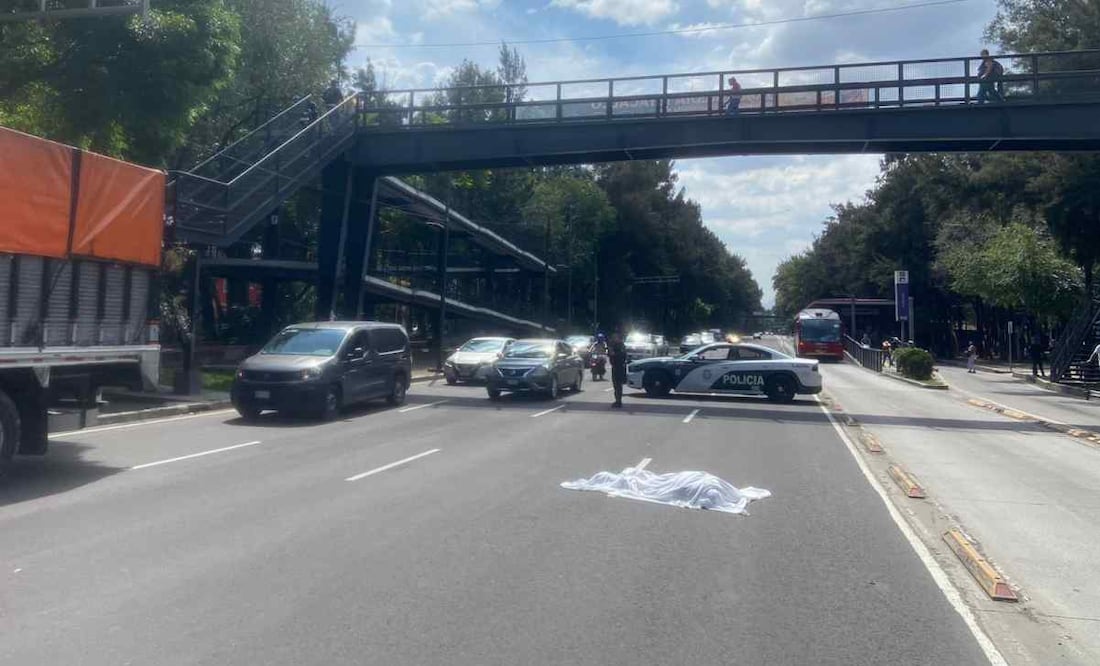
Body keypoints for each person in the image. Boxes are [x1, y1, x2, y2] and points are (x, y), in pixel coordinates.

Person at [608, 331, 629, 408]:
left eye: (615, 337)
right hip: (615, 366)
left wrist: (613, 354)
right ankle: (617, 400)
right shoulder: (613, 345)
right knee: (616, 384)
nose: (613, 338)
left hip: (619, 366)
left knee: (618, 384)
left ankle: (618, 401)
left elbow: (623, 355)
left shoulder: (621, 345)